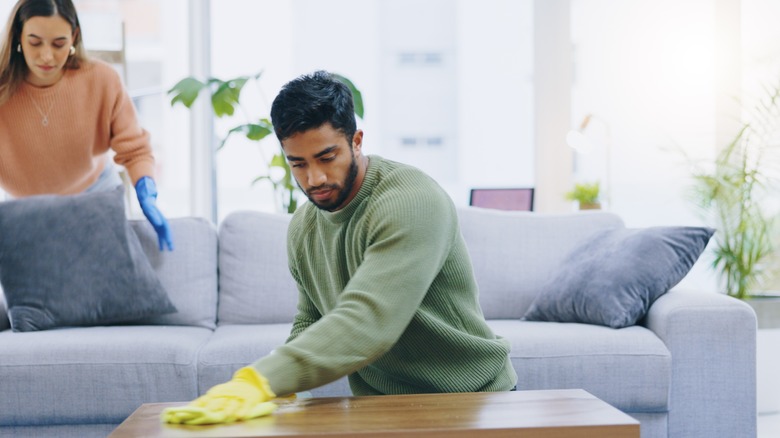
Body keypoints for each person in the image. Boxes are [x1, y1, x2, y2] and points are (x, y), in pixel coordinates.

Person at [162, 70, 517, 425]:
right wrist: (281, 390)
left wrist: (260, 380)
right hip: (378, 408)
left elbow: (368, 321)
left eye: (326, 157)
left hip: (470, 402)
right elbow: (311, 318)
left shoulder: (412, 200)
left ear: (357, 141)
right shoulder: (303, 227)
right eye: (297, 163)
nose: (313, 179)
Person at [0, 0, 173, 250]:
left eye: (58, 43)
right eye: (35, 42)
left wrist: (146, 191)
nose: (47, 55)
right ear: (18, 36)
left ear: (74, 37)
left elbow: (134, 149)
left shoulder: (101, 80)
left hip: (95, 197)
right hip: (26, 210)